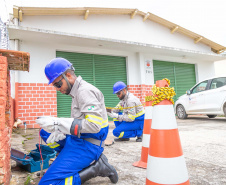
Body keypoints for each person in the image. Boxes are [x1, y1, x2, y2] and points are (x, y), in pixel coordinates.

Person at [35, 58, 118, 185]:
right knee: (44, 132)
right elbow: (78, 121)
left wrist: (59, 124)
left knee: (48, 183)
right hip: (78, 139)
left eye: (57, 84)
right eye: (54, 86)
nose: (57, 89)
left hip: (88, 145)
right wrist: (61, 129)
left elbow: (94, 125)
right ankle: (64, 160)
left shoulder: (85, 91)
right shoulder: (76, 92)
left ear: (68, 75)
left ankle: (95, 168)